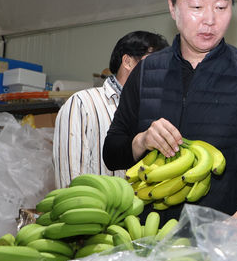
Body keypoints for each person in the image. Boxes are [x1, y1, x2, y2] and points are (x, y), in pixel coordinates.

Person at [103, 0, 237, 227]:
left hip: (219, 236)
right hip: (148, 234)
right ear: (172, 7)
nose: (210, 20)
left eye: (221, 7)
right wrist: (142, 140)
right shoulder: (146, 72)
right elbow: (111, 152)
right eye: (196, 7)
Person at [52, 31, 169, 188]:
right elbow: (70, 180)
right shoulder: (83, 103)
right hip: (94, 210)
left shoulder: (155, 111)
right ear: (127, 61)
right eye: (152, 64)